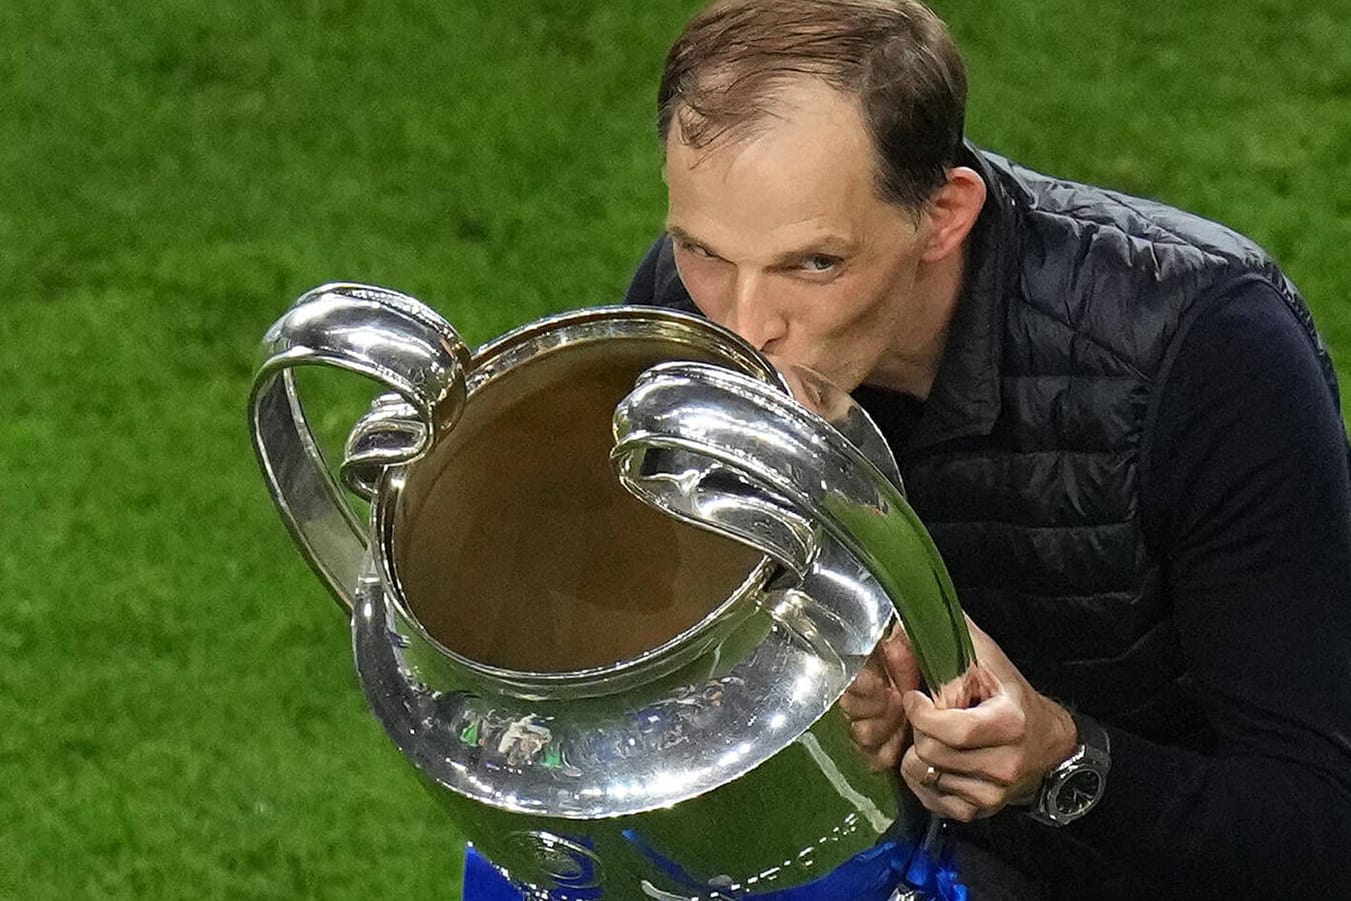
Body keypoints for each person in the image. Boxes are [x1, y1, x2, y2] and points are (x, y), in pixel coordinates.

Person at [620, 0, 1351, 898]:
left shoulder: (1203, 355)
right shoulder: (687, 309)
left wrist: (1061, 760)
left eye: (814, 264)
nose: (740, 326)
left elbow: (1319, 830)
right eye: (701, 249)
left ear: (943, 216)